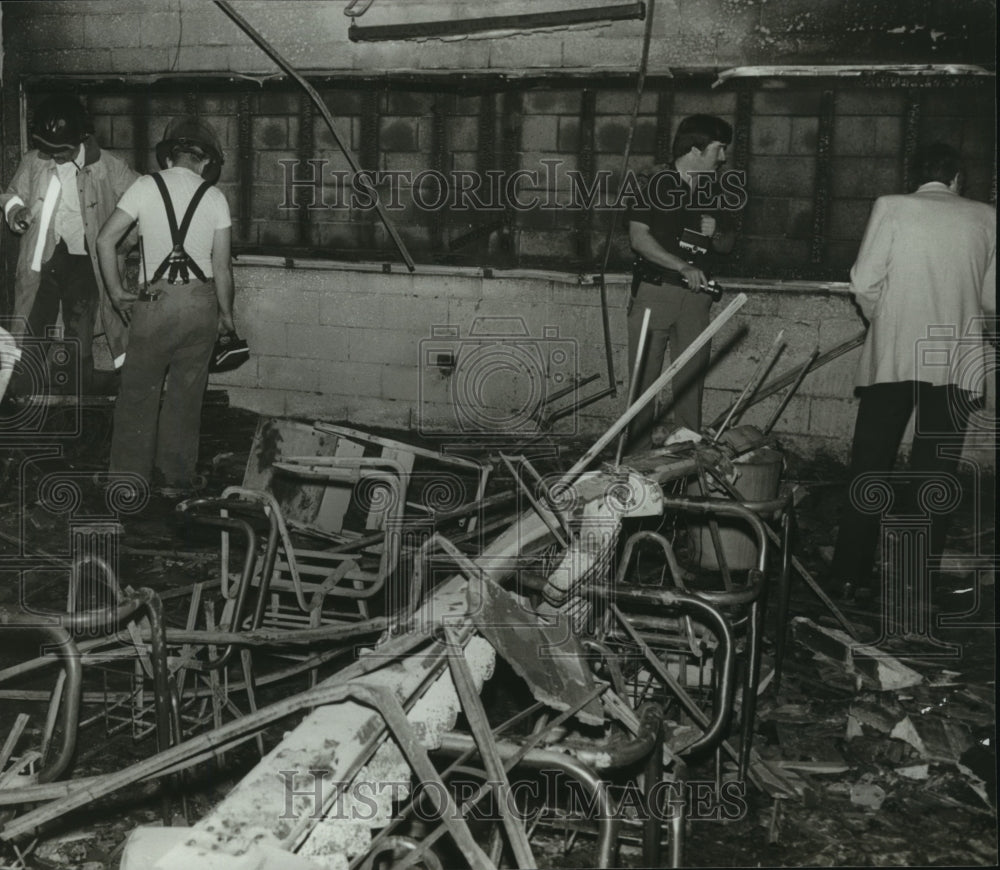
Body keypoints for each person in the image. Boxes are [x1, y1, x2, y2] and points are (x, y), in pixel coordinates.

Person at [831, 142, 996, 602]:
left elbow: (863, 282)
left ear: (916, 176)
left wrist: (884, 320)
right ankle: (915, 583)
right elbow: (992, 300)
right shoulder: (986, 217)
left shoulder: (892, 207)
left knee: (870, 466)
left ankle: (849, 575)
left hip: (896, 357)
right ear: (957, 179)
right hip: (955, 362)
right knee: (935, 476)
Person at [97, 116, 235, 498]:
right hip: (199, 305)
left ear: (170, 156)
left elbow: (105, 240)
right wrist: (227, 317)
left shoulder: (144, 186)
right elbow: (222, 269)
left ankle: (127, 485)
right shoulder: (215, 198)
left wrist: (115, 291)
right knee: (186, 397)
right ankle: (175, 480)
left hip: (153, 304)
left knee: (137, 395)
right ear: (206, 162)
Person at [1, 94, 138, 398]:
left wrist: (121, 248)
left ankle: (78, 402)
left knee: (79, 333)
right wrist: (15, 212)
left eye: (61, 150)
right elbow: (11, 194)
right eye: (49, 150)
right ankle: (21, 398)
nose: (55, 156)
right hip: (44, 262)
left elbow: (142, 203)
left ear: (81, 137)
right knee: (31, 329)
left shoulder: (109, 168)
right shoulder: (34, 162)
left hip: (85, 264)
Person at [625, 114, 736, 451]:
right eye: (718, 149)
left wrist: (716, 232)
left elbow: (730, 244)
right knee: (643, 385)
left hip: (696, 299)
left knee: (690, 384)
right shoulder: (654, 183)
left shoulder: (715, 188)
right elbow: (639, 239)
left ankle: (685, 461)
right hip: (655, 293)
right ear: (694, 149)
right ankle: (636, 463)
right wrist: (682, 266)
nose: (723, 157)